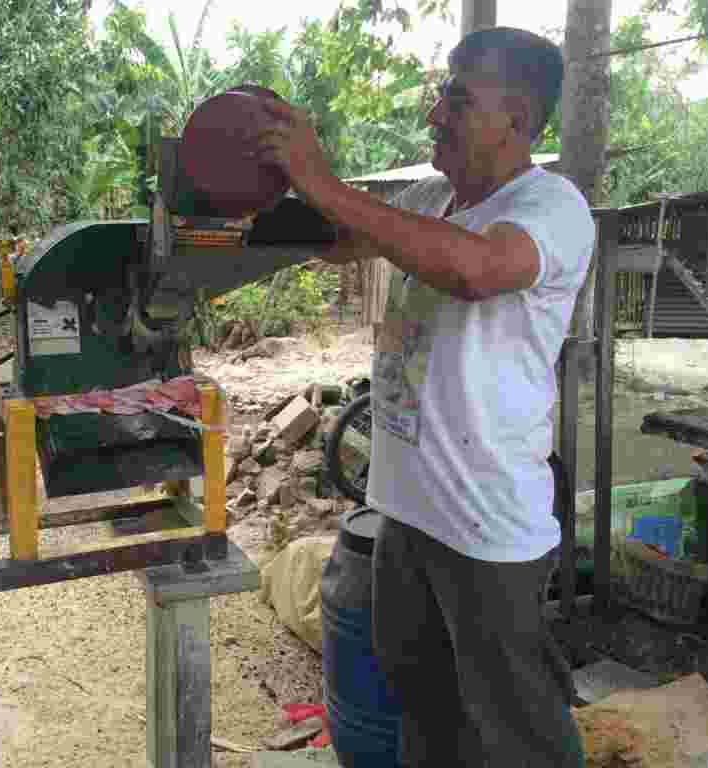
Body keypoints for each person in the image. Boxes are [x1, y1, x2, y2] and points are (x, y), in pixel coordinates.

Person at [252, 26, 593, 768]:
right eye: (443, 91)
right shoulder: (434, 198)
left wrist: (322, 180)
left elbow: (475, 269)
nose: (437, 111)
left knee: (517, 734)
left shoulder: (551, 205)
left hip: (484, 528)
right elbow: (345, 236)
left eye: (459, 97)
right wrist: (269, 183)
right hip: (406, 515)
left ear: (520, 117)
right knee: (425, 714)